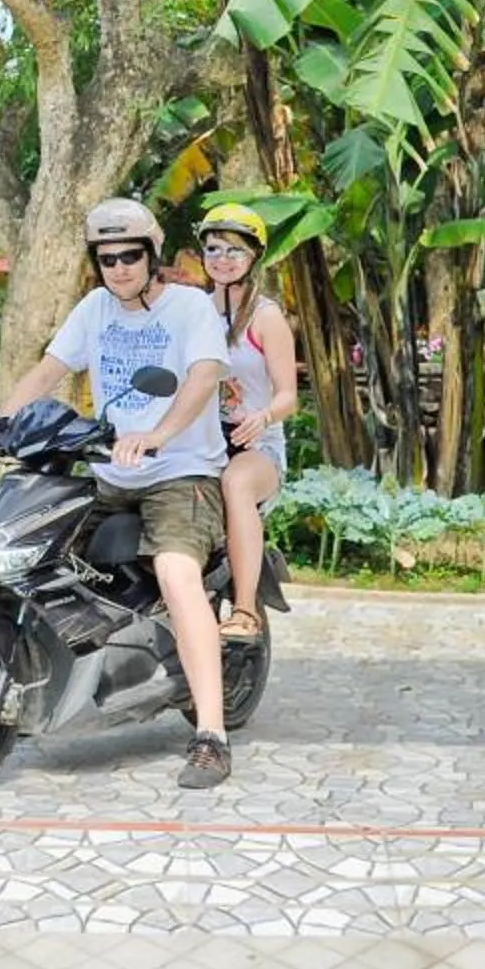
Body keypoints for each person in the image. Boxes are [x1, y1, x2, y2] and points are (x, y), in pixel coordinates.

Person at [0, 196, 238, 789]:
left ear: (152, 254)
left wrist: (159, 434)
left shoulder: (189, 309)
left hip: (180, 473)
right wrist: (3, 418)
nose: (120, 268)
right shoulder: (94, 309)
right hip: (110, 473)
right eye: (107, 258)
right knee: (32, 548)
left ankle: (211, 733)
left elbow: (204, 377)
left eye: (131, 255)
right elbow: (51, 368)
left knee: (177, 573)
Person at [195, 203, 297, 646]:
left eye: (234, 250)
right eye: (213, 248)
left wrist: (263, 416)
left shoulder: (266, 316)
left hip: (256, 447)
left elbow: (289, 396)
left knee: (236, 483)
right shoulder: (192, 310)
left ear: (254, 256)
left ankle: (245, 609)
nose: (222, 259)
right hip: (201, 442)